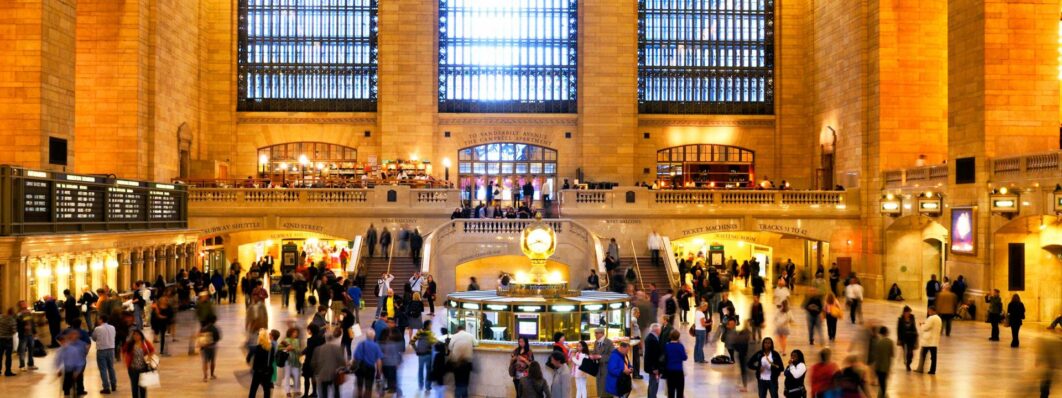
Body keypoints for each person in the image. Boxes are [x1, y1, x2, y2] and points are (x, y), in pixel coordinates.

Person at [312, 328, 347, 398]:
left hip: (323, 375)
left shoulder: (318, 349)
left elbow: (313, 363)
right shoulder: (337, 348)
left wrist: (315, 373)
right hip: (335, 374)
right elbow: (342, 361)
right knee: (336, 392)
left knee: (324, 393)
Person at [122, 329, 154, 398]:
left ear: (141, 335)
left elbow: (152, 350)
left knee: (143, 387)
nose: (135, 336)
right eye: (134, 334)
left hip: (144, 369)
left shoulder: (145, 343)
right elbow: (123, 350)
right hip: (133, 369)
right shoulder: (130, 344)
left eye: (137, 334)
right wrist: (124, 360)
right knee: (134, 387)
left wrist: (149, 356)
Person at [55, 329, 87, 397]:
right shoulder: (61, 349)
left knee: (78, 382)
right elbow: (58, 360)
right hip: (68, 370)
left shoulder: (78, 346)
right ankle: (67, 394)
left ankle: (79, 392)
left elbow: (80, 360)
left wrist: (77, 371)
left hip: (77, 367)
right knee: (66, 387)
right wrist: (58, 369)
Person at [354, 328, 384, 398]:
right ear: (374, 336)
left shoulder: (361, 344)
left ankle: (359, 395)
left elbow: (355, 357)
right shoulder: (376, 346)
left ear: (366, 336)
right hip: (370, 368)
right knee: (369, 386)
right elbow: (379, 361)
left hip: (360, 367)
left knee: (360, 385)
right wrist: (379, 372)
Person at [92, 315, 118, 393]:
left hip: (101, 350)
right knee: (111, 368)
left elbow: (94, 338)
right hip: (111, 349)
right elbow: (114, 336)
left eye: (98, 319)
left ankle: (106, 387)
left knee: (103, 369)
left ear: (101, 320)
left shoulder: (97, 329)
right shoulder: (112, 327)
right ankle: (113, 385)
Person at [449, 325, 477, 398]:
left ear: (457, 330)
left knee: (458, 382)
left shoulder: (454, 336)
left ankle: (458, 396)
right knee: (465, 381)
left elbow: (449, 347)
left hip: (456, 362)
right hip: (466, 362)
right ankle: (464, 396)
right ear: (464, 329)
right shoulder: (470, 335)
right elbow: (476, 343)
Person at [248, 329, 276, 398]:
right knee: (266, 390)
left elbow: (248, 359)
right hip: (267, 372)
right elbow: (272, 359)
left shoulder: (255, 348)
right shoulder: (271, 348)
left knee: (253, 390)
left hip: (257, 372)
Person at [914, 307, 942, 375]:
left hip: (928, 341)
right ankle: (932, 370)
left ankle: (920, 369)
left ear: (932, 311)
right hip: (934, 341)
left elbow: (925, 328)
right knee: (933, 357)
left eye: (929, 311)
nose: (928, 312)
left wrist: (921, 325)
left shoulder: (931, 318)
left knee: (922, 355)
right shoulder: (939, 319)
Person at [869, 326, 895, 398]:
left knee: (881, 383)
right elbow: (892, 355)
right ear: (886, 333)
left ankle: (881, 395)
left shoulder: (877, 342)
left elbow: (875, 356)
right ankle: (883, 396)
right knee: (884, 383)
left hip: (878, 367)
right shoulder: (890, 342)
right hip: (886, 367)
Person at [413, 320, 437, 392]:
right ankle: (428, 386)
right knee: (428, 370)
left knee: (420, 369)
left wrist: (416, 349)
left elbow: (412, 342)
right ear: (428, 325)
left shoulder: (419, 332)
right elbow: (434, 342)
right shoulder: (430, 334)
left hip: (420, 354)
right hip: (428, 354)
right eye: (431, 325)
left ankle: (420, 385)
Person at [301, 324, 324, 398]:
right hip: (318, 361)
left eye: (308, 329)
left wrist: (302, 353)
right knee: (314, 377)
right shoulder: (322, 338)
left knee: (306, 377)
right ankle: (314, 393)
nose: (307, 331)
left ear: (311, 330)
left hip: (310, 361)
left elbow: (309, 350)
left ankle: (305, 394)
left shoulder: (310, 340)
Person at [278, 327, 302, 396]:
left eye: (296, 333)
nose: (296, 334)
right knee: (287, 376)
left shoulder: (297, 341)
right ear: (291, 333)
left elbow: (299, 351)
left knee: (297, 376)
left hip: (296, 361)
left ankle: (296, 390)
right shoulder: (285, 340)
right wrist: (286, 349)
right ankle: (287, 391)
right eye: (294, 332)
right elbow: (279, 348)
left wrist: (294, 348)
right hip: (287, 361)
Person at [591, 328, 615, 398]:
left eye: (596, 333)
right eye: (595, 333)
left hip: (606, 369)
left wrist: (600, 356)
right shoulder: (596, 342)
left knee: (606, 390)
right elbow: (594, 352)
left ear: (601, 333)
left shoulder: (609, 342)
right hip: (598, 369)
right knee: (600, 388)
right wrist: (592, 356)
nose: (595, 335)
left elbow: (612, 356)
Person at [663, 329, 687, 398]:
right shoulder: (680, 346)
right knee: (680, 391)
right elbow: (684, 357)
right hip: (679, 371)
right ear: (678, 337)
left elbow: (665, 357)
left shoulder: (667, 346)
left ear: (670, 336)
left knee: (670, 391)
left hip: (669, 371)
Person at [381, 327, 405, 394]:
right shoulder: (392, 344)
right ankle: (392, 388)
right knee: (392, 376)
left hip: (387, 362)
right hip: (391, 363)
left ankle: (391, 387)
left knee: (388, 376)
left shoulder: (385, 344)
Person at [896, 306, 919, 371]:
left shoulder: (912, 317)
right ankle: (906, 363)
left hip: (911, 337)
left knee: (910, 352)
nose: (909, 313)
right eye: (907, 312)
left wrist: (916, 334)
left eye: (909, 312)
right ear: (904, 312)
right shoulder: (900, 319)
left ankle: (908, 363)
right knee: (905, 352)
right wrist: (899, 339)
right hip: (904, 338)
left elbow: (914, 326)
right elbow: (898, 330)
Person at [0, 308, 15, 376]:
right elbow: (14, 330)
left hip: (0, 338)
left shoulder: (0, 317)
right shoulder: (11, 319)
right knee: (8, 356)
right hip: (8, 339)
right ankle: (7, 371)